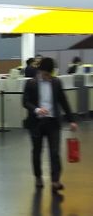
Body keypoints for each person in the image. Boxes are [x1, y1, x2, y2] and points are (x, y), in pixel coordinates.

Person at [22, 57, 77, 194]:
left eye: (50, 75)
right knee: (37, 151)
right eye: (46, 74)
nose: (48, 77)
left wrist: (71, 120)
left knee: (55, 152)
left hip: (53, 122)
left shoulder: (56, 82)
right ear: (40, 71)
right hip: (36, 123)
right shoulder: (31, 84)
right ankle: (38, 177)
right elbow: (25, 102)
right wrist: (37, 109)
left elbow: (64, 101)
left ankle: (55, 181)